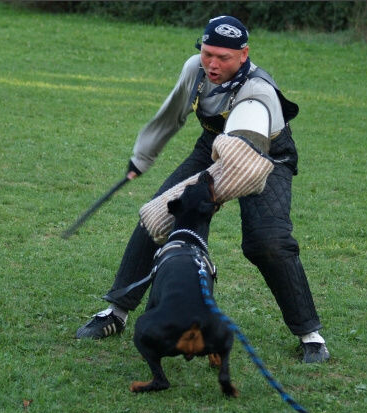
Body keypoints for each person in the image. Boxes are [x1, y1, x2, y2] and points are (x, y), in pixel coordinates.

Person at [76, 16, 330, 363]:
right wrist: (141, 159)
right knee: (158, 214)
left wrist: (194, 202)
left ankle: (310, 335)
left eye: (223, 57)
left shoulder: (257, 94)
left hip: (263, 157)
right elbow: (171, 115)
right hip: (213, 145)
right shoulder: (195, 70)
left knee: (267, 242)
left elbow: (241, 169)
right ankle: (116, 313)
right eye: (207, 53)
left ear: (244, 55)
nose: (212, 63)